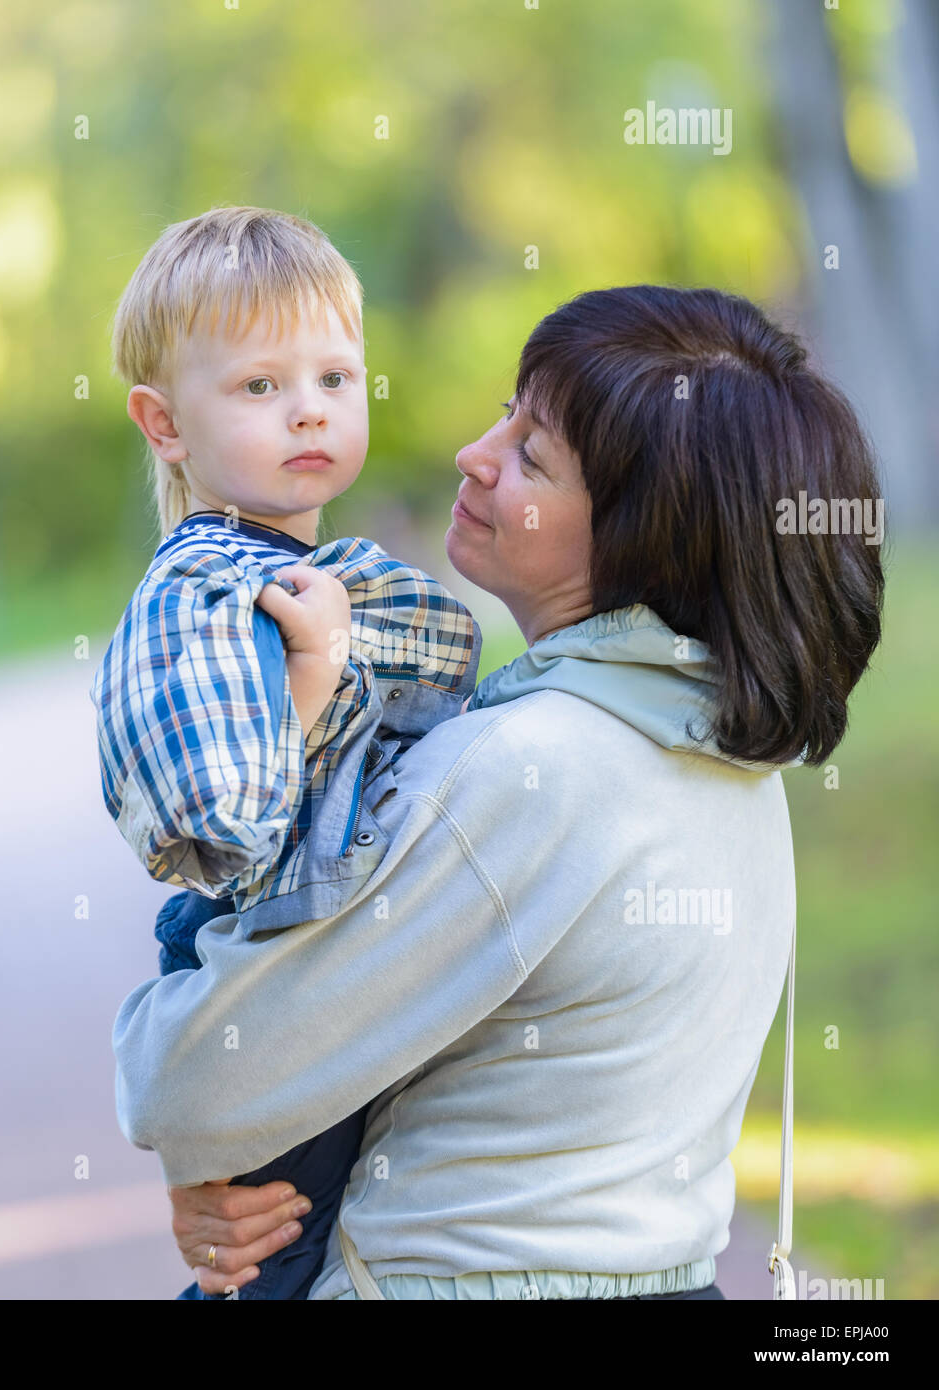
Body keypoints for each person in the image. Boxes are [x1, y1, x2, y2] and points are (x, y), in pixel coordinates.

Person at [113, 283, 884, 1301]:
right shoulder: (727, 757)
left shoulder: (531, 771)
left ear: (641, 538)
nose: (477, 456)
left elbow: (191, 1084)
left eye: (532, 457)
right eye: (506, 413)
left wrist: (211, 1148)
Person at [91, 206, 481, 1299]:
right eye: (259, 387)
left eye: (333, 378)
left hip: (322, 955)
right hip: (263, 971)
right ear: (163, 424)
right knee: (270, 1258)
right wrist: (310, 685)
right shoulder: (198, 600)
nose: (307, 409)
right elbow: (214, 828)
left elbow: (448, 652)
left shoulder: (331, 573)